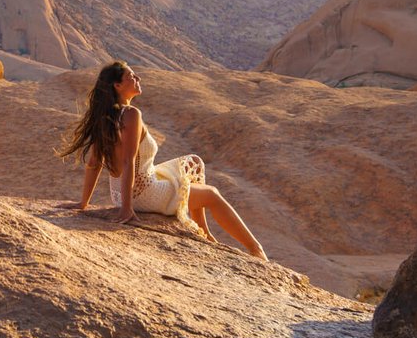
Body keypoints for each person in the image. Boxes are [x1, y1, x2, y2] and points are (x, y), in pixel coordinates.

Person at [59, 61, 266, 259]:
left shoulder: (105, 116)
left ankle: (202, 231)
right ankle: (255, 249)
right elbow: (128, 161)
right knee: (212, 194)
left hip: (122, 194)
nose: (137, 77)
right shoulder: (131, 114)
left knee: (194, 162)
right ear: (118, 85)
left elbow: (94, 163)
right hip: (144, 193)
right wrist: (127, 208)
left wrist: (84, 203)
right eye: (131, 76)